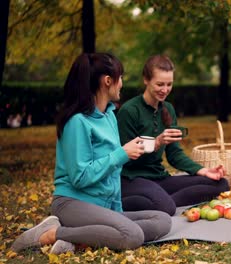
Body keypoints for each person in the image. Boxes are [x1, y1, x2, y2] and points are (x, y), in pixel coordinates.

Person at [10, 53, 171, 254]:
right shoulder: (77, 122)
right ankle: (53, 233)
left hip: (103, 206)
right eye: (120, 78)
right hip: (73, 203)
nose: (122, 83)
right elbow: (80, 177)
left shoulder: (110, 116)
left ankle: (80, 239)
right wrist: (121, 154)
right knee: (133, 235)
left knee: (162, 220)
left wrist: (116, 212)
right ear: (107, 81)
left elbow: (111, 174)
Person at [117, 55, 229, 216]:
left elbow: (175, 154)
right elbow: (124, 157)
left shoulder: (168, 109)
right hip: (131, 179)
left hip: (159, 178)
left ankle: (159, 198)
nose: (165, 89)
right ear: (146, 80)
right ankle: (151, 200)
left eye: (169, 84)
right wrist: (155, 143)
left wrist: (204, 171)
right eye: (160, 84)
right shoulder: (130, 111)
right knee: (166, 208)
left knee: (220, 184)